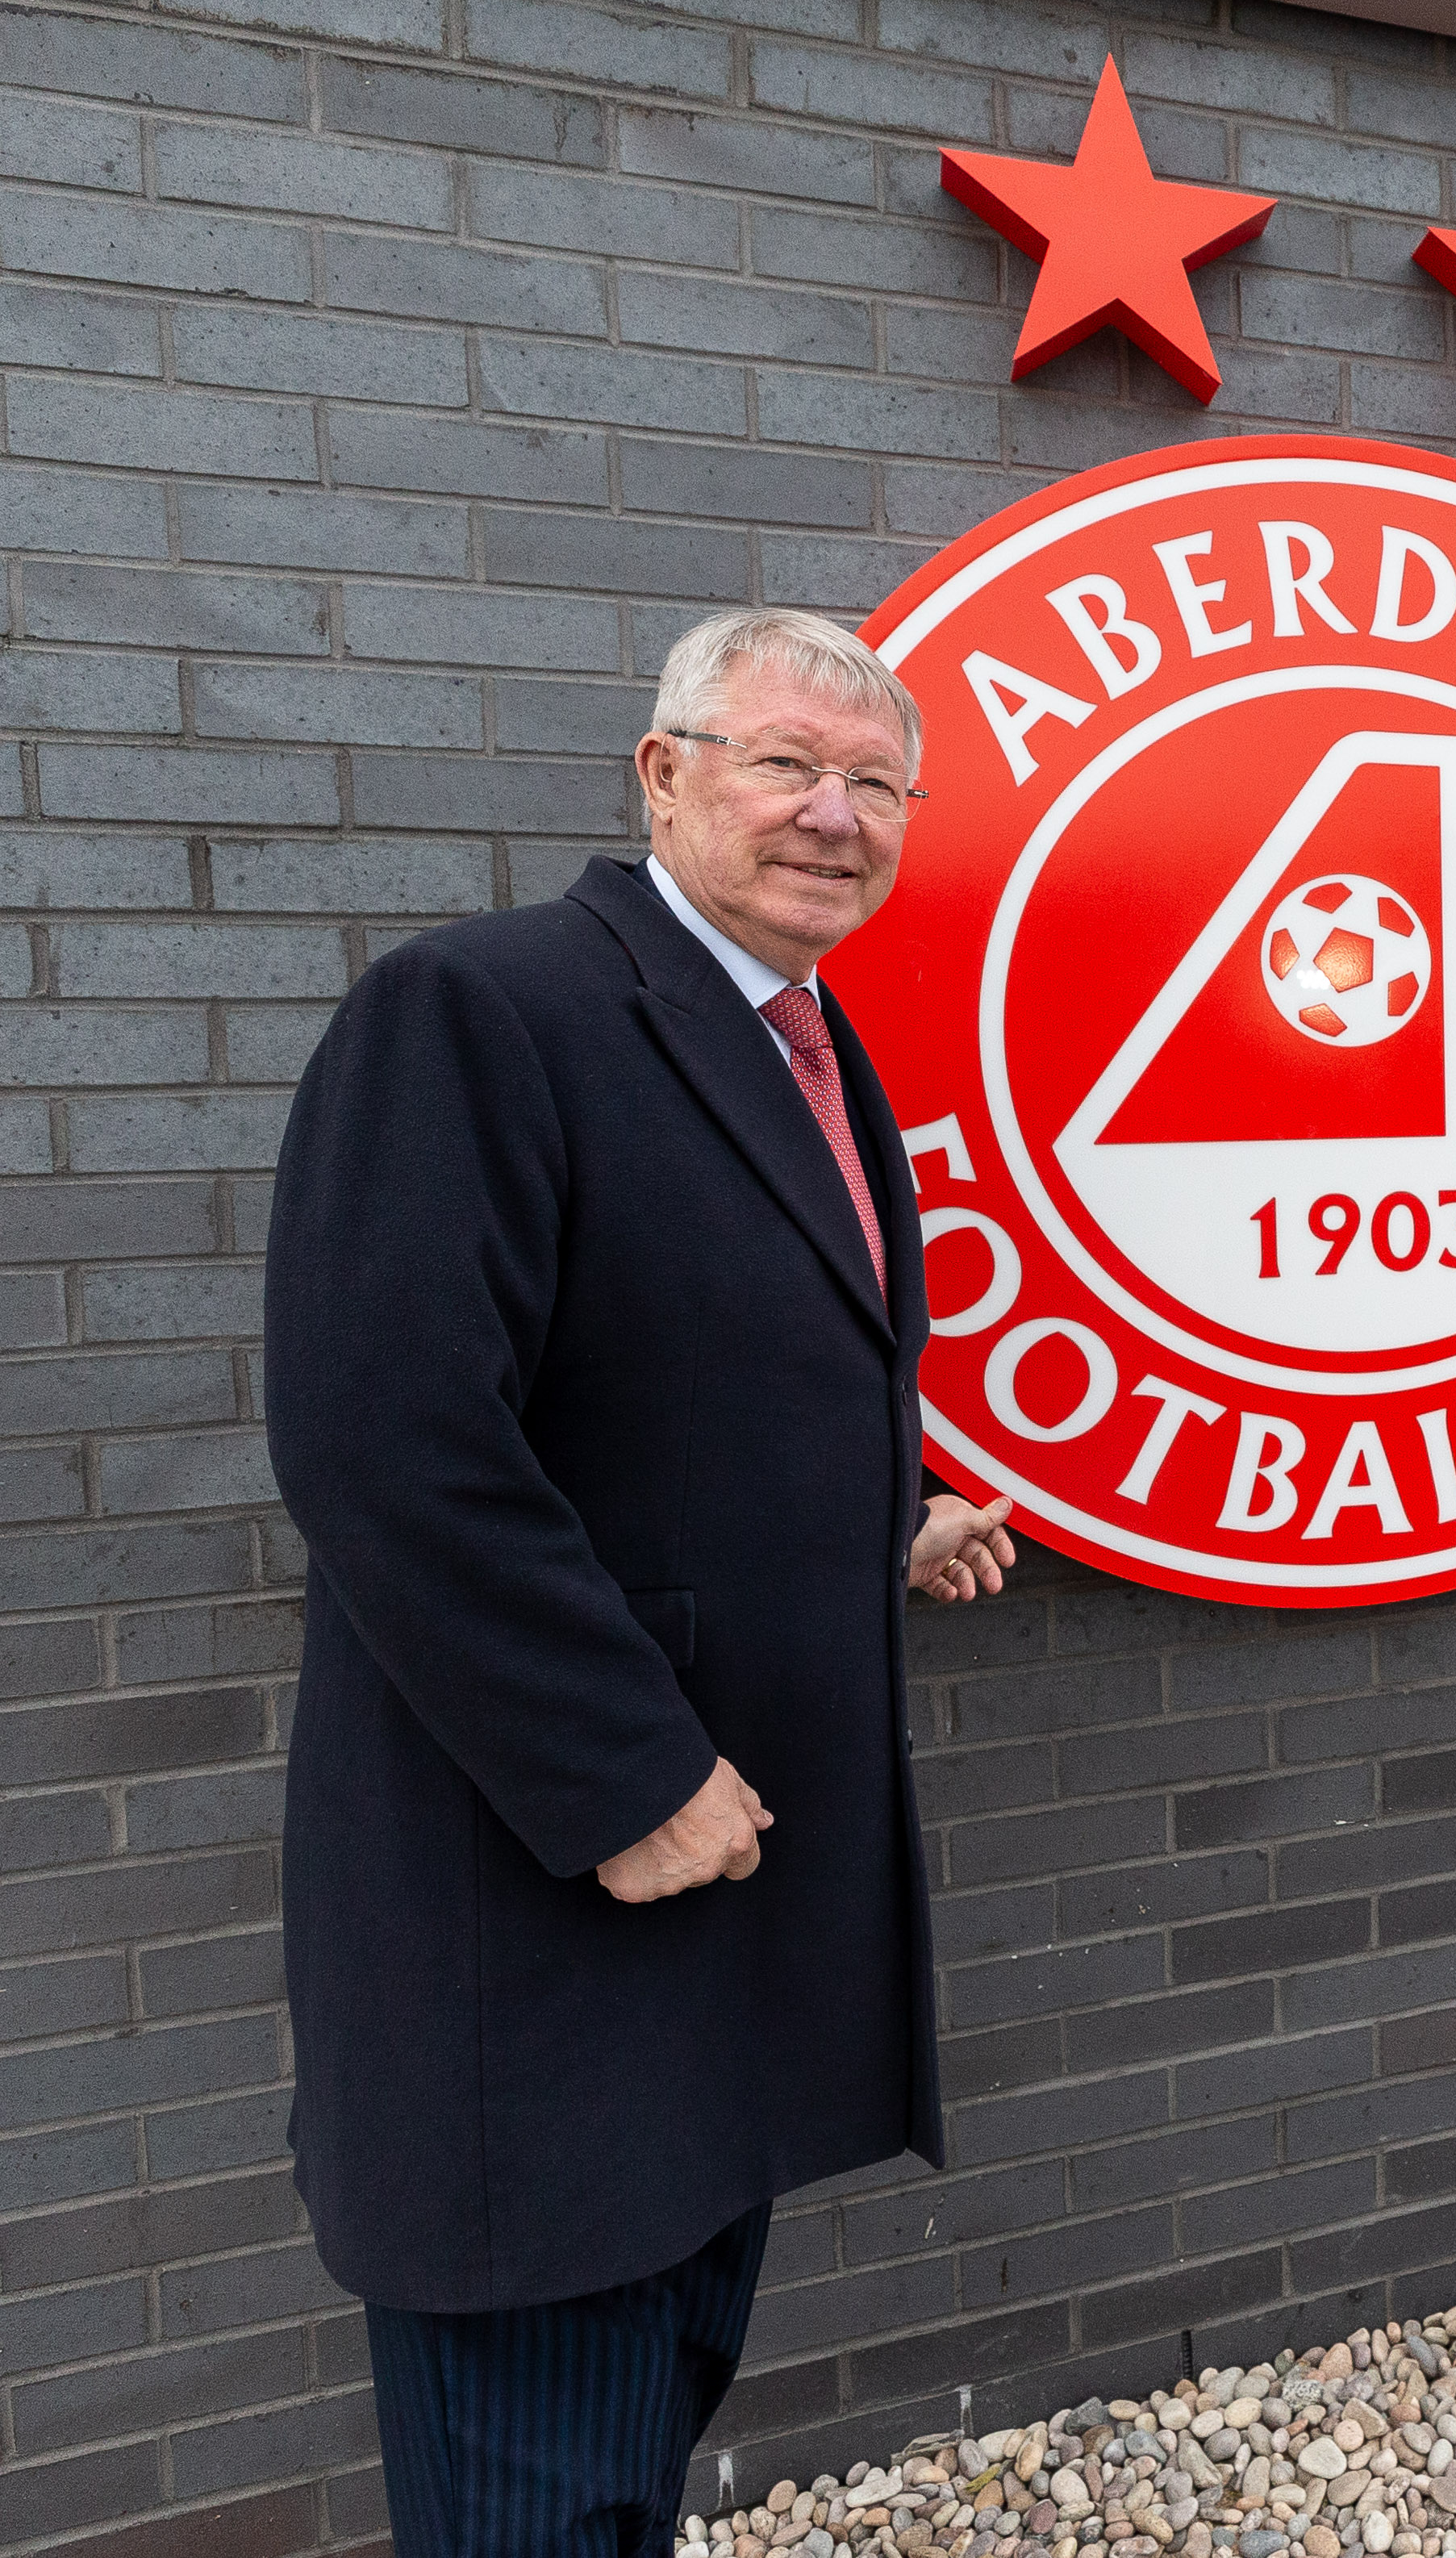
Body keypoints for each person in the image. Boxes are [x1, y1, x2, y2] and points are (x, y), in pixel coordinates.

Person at [265, 607, 1021, 2557]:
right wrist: (619, 1774)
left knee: (641, 2427)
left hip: (713, 1917)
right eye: (784, 762)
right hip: (551, 1902)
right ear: (661, 772)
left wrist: (882, 1513)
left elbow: (663, 1396)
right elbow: (390, 1442)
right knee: (539, 2479)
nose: (831, 815)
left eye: (875, 784)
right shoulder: (483, 1009)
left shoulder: (807, 1048)